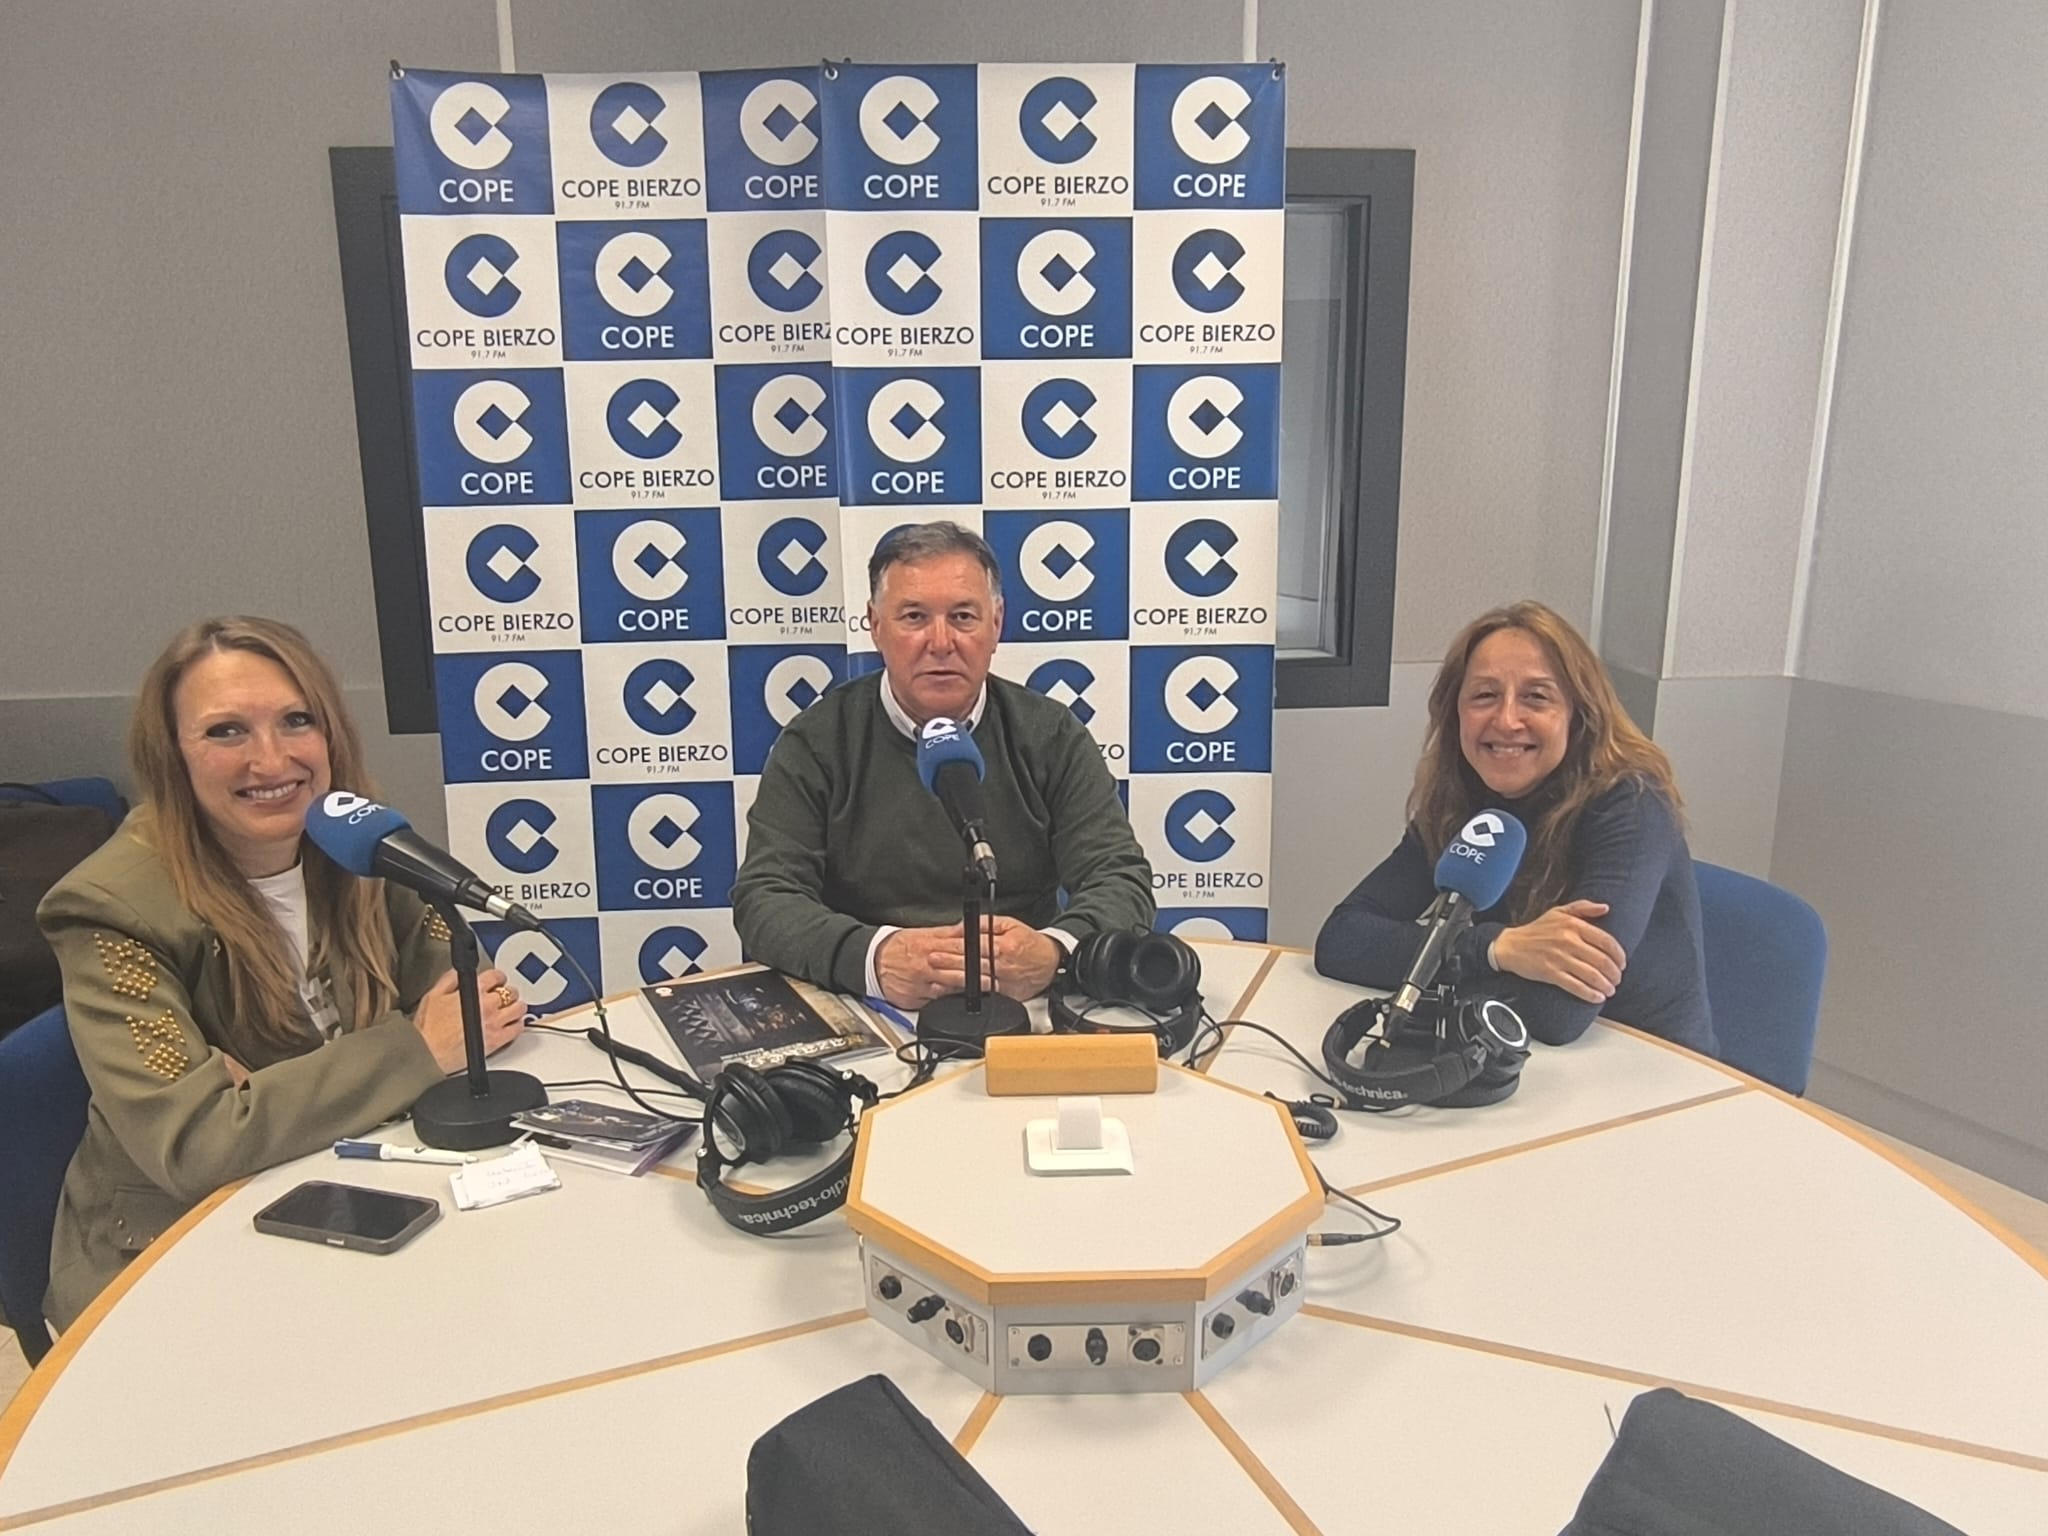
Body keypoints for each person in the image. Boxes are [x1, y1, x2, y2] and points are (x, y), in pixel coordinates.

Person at [38, 617, 528, 1330]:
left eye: (296, 721)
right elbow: (200, 1142)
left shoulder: (364, 843)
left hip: (357, 1195)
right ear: (173, 754)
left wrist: (265, 1095)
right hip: (167, 1261)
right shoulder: (107, 909)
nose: (271, 761)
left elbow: (480, 1015)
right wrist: (413, 1048)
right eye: (226, 732)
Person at [733, 522, 1155, 1008]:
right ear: (875, 627)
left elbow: (1120, 879)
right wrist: (872, 956)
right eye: (913, 617)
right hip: (865, 1003)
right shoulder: (817, 742)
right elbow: (765, 896)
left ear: (996, 625)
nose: (940, 642)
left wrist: (1055, 951)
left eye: (962, 617)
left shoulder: (1050, 735)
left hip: (1021, 1004)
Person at [1315, 601, 1715, 1054]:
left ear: (1577, 714)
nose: (1506, 720)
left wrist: (1429, 961)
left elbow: (1558, 1012)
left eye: (1536, 697)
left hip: (1652, 1079)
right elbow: (1342, 940)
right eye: (1484, 695)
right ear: (1456, 714)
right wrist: (1498, 948)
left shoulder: (1633, 804)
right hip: (1509, 1060)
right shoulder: (1463, 801)